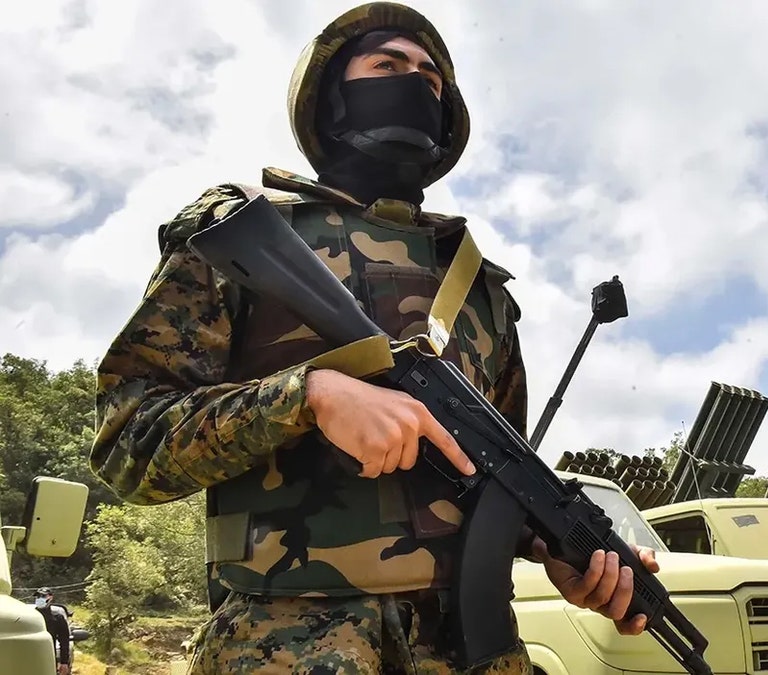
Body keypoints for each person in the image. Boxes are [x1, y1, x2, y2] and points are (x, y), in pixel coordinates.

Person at [88, 3, 658, 672]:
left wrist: (560, 551)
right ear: (334, 97)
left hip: (478, 652)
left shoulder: (483, 293)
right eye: (387, 65)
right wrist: (310, 396)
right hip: (285, 649)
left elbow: (492, 477)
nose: (413, 81)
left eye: (431, 79)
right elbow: (127, 441)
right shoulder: (244, 239)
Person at [33, 588, 71, 675]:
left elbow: (64, 641)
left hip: (48, 660)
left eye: (43, 596)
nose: (39, 599)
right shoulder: (28, 616)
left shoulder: (57, 618)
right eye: (37, 596)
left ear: (50, 598)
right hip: (29, 658)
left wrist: (64, 662)